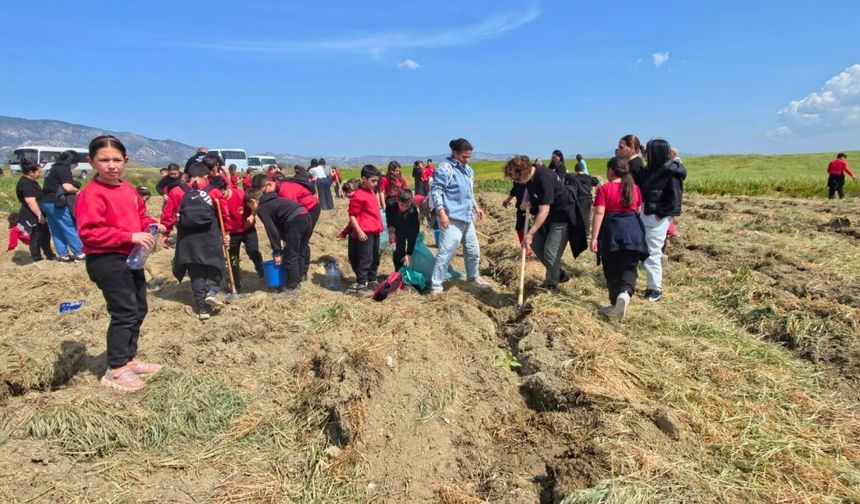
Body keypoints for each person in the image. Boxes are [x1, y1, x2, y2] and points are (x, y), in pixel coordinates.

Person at [76, 135, 165, 392]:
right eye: (104, 160)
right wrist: (129, 236)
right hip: (107, 259)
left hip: (130, 257)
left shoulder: (127, 189)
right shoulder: (91, 194)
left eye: (116, 160)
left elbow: (139, 214)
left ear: (125, 161)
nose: (111, 165)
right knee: (124, 311)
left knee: (139, 308)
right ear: (91, 161)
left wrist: (152, 223)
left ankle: (128, 358)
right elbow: (89, 232)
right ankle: (115, 369)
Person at [160, 162, 231, 320]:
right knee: (215, 265)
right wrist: (226, 233)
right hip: (210, 235)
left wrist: (166, 233)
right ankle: (212, 291)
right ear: (206, 177)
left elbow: (168, 213)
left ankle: (202, 308)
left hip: (187, 238)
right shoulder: (213, 192)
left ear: (188, 176)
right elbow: (224, 214)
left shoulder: (177, 191)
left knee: (195, 271)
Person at [590, 157, 648, 320]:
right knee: (629, 267)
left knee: (612, 268)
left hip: (612, 232)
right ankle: (625, 295)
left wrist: (594, 237)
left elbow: (599, 213)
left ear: (610, 171)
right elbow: (637, 210)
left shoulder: (605, 189)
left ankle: (616, 300)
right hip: (633, 232)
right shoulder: (634, 188)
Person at [430, 138, 490, 294]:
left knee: (473, 250)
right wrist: (442, 213)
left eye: (469, 156)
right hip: (452, 218)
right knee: (447, 252)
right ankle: (436, 285)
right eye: (464, 156)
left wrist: (476, 207)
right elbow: (436, 192)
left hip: (467, 217)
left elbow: (468, 193)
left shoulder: (468, 170)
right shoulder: (445, 169)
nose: (467, 159)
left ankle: (473, 277)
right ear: (455, 153)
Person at [504, 155, 573, 290]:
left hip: (561, 216)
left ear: (524, 172)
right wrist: (524, 200)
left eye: (517, 178)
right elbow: (528, 190)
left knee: (550, 252)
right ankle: (559, 273)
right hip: (547, 215)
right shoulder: (530, 176)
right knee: (536, 243)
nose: (516, 182)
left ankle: (552, 285)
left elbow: (544, 211)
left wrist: (529, 234)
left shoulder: (544, 178)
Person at [638, 139, 687, 302]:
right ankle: (651, 286)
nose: (646, 155)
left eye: (649, 152)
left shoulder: (671, 173)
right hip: (646, 213)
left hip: (656, 217)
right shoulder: (653, 170)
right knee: (647, 251)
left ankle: (654, 289)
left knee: (653, 252)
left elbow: (674, 200)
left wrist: (660, 214)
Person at [246, 184, 311, 300]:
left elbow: (272, 231)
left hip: (294, 221)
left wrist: (277, 252)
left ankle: (291, 289)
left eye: (250, 207)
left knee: (291, 256)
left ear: (253, 201)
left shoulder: (263, 208)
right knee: (300, 251)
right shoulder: (276, 199)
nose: (252, 210)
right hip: (306, 216)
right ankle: (298, 279)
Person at [274, 165, 320, 280]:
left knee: (303, 241)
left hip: (311, 209)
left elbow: (292, 210)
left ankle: (303, 272)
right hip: (303, 209)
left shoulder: (284, 190)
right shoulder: (281, 189)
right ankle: (299, 270)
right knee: (297, 241)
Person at [348, 165, 384, 295]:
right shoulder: (358, 195)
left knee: (375, 257)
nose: (375, 184)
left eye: (376, 181)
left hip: (375, 230)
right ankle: (361, 284)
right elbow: (352, 215)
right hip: (365, 232)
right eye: (373, 181)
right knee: (365, 258)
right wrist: (359, 231)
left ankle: (372, 279)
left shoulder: (371, 192)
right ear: (363, 179)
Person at [42, 150, 84, 262]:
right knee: (68, 227)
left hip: (46, 202)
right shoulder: (63, 169)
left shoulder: (52, 168)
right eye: (75, 162)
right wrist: (79, 191)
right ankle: (79, 253)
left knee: (56, 229)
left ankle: (62, 255)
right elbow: (67, 187)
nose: (76, 165)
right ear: (70, 161)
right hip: (56, 203)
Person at [224, 182, 264, 293]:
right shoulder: (218, 201)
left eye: (223, 192)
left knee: (253, 251)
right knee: (234, 259)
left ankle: (262, 272)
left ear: (227, 188)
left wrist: (252, 215)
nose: (222, 195)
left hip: (247, 230)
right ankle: (236, 284)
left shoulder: (241, 195)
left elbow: (255, 206)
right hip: (231, 234)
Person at [15, 159, 56, 262]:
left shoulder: (30, 182)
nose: (40, 173)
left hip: (36, 212)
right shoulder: (26, 184)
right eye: (38, 172)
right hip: (32, 214)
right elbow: (30, 201)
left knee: (45, 234)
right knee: (37, 235)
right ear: (31, 172)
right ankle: (36, 257)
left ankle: (49, 254)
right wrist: (39, 215)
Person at [386, 189, 421, 271]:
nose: (404, 208)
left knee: (411, 253)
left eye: (406, 206)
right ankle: (398, 271)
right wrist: (390, 226)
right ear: (397, 200)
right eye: (401, 205)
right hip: (398, 228)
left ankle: (408, 270)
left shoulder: (413, 211)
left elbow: (413, 233)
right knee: (399, 250)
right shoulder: (390, 203)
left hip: (410, 228)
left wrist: (409, 253)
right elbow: (389, 215)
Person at [564, 163, 600, 234]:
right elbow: (596, 181)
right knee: (586, 216)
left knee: (577, 216)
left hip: (579, 198)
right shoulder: (588, 177)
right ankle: (586, 232)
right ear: (583, 169)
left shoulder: (573, 178)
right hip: (588, 199)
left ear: (575, 169)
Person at [502, 181, 530, 256]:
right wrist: (507, 200)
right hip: (521, 208)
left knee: (532, 230)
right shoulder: (517, 181)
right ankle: (526, 251)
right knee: (520, 229)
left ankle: (531, 251)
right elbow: (514, 190)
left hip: (532, 209)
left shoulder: (529, 179)